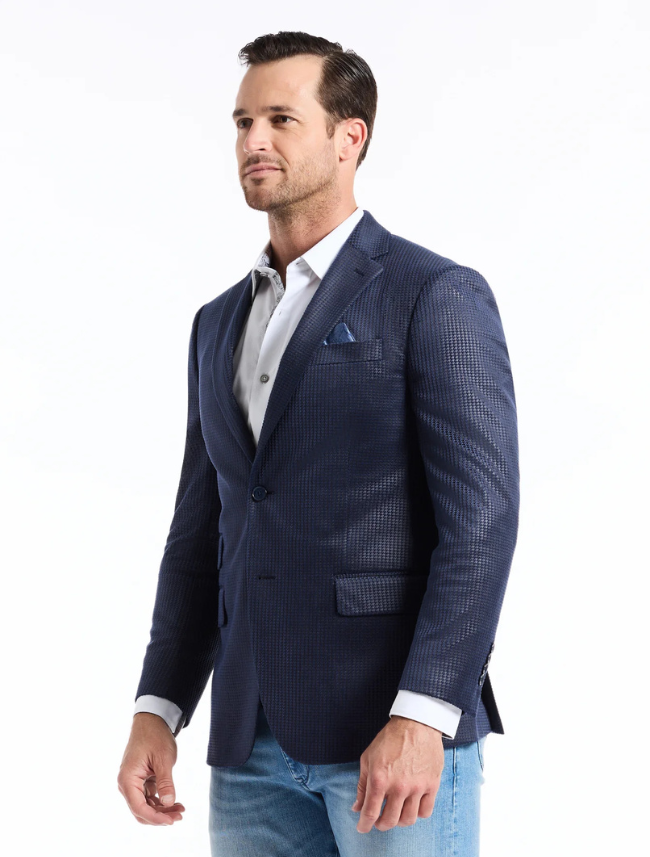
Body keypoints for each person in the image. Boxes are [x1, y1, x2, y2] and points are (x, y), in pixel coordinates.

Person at [117, 30, 520, 857]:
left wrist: (424, 712)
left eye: (280, 119)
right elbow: (202, 534)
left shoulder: (433, 294)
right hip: (249, 748)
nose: (253, 141)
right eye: (242, 122)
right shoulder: (217, 322)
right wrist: (159, 705)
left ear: (349, 137)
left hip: (391, 737)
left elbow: (481, 524)